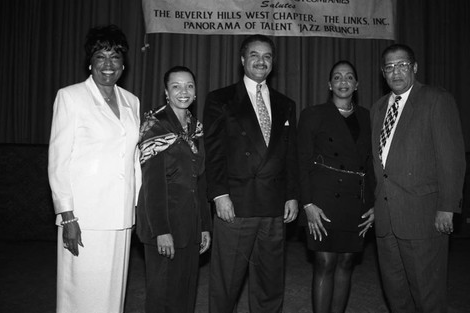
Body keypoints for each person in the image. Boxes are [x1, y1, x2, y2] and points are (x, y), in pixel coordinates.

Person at [48, 24, 141, 313]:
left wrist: (137, 205)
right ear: (90, 62)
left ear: (123, 64)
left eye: (115, 57)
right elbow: (58, 160)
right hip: (85, 215)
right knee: (81, 291)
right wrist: (67, 216)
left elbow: (133, 157)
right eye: (101, 56)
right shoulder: (70, 97)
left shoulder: (132, 101)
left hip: (121, 213)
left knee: (113, 291)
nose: (108, 64)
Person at [203, 34, 299, 313]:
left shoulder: (286, 103)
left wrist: (292, 194)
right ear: (242, 60)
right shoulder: (220, 99)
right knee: (226, 283)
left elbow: (289, 154)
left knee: (270, 282)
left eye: (267, 56)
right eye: (254, 55)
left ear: (273, 63)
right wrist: (219, 194)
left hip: (273, 205)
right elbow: (214, 151)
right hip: (236, 204)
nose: (261, 61)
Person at [371, 44, 465, 313]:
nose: (395, 72)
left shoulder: (436, 99)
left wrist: (447, 207)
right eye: (389, 67)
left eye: (402, 65)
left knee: (428, 295)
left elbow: (452, 158)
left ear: (414, 67)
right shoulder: (378, 108)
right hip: (387, 218)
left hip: (423, 217)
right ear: (382, 73)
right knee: (396, 294)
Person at [298, 60, 375, 313]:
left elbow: (372, 163)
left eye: (349, 77)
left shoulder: (367, 116)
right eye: (338, 77)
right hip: (323, 200)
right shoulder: (313, 114)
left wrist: (373, 204)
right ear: (329, 84)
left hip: (355, 201)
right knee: (325, 262)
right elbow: (301, 161)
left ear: (357, 84)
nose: (344, 82)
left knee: (346, 262)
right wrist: (307, 204)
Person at [136, 66, 211, 313]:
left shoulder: (195, 128)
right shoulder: (155, 126)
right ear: (166, 93)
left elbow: (200, 181)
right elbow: (152, 185)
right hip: (164, 226)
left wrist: (204, 226)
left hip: (190, 226)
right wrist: (161, 231)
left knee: (185, 293)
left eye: (189, 85)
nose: (183, 91)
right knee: (162, 296)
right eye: (176, 86)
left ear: (196, 92)